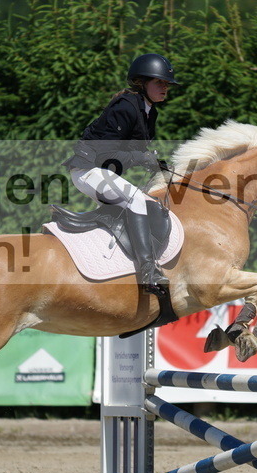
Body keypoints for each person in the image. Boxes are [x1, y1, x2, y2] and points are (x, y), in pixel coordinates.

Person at [64, 53, 179, 297]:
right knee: (135, 200)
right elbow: (104, 154)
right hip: (88, 169)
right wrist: (141, 159)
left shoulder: (149, 111)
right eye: (159, 83)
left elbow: (132, 149)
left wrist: (154, 162)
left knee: (144, 204)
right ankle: (148, 272)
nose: (164, 88)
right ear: (141, 83)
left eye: (167, 84)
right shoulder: (126, 106)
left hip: (101, 171)